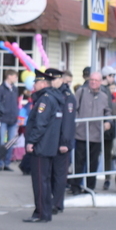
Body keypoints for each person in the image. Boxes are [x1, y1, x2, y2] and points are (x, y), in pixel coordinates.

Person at [23, 69, 62, 223]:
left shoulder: (45, 99)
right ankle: (44, 212)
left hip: (41, 146)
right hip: (48, 145)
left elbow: (40, 123)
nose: (34, 85)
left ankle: (40, 213)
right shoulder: (51, 97)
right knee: (44, 180)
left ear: (43, 83)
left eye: (36, 82)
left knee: (39, 181)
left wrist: (31, 141)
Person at [70, 72, 112, 195]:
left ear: (100, 82)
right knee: (79, 162)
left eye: (96, 80)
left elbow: (108, 111)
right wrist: (77, 123)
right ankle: (76, 186)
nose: (93, 82)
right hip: (81, 134)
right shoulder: (81, 92)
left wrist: (108, 122)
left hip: (97, 135)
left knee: (93, 162)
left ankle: (90, 187)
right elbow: (74, 109)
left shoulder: (104, 96)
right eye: (91, 79)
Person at [51, 68, 74, 214]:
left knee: (60, 174)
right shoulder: (53, 94)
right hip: (52, 141)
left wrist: (65, 142)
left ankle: (57, 203)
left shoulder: (67, 96)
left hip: (61, 142)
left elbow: (68, 122)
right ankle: (53, 201)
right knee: (52, 174)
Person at [0, 69, 19, 171]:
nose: (16, 78)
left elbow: (16, 103)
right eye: (15, 76)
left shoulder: (15, 89)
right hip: (3, 119)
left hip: (13, 119)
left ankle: (7, 163)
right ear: (9, 76)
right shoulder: (1, 88)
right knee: (0, 141)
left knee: (11, 142)